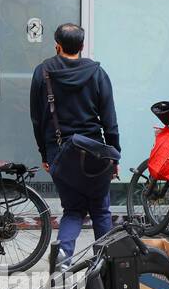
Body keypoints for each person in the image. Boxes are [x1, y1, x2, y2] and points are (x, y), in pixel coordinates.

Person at [29, 22, 120, 268]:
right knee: (101, 211)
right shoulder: (98, 73)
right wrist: (115, 155)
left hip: (60, 152)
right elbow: (109, 120)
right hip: (96, 153)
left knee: (72, 210)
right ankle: (105, 263)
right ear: (82, 46)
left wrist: (44, 153)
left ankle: (63, 256)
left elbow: (37, 118)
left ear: (57, 45)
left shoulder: (42, 72)